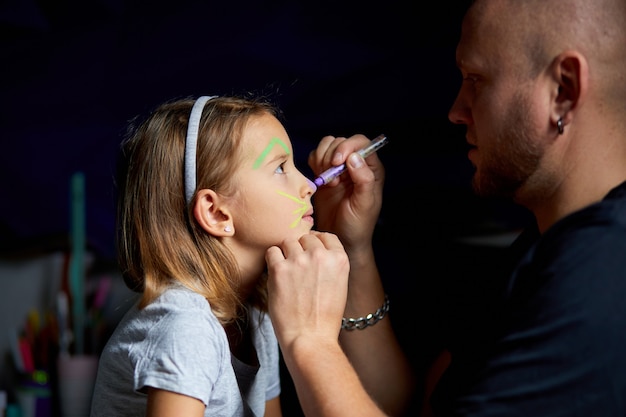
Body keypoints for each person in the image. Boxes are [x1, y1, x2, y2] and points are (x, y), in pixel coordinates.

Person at [265, 0, 626, 415]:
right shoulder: (547, 246)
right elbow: (412, 407)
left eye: (477, 79)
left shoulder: (604, 273)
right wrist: (353, 249)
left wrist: (308, 341)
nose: (456, 112)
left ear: (563, 90)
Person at [90, 94, 354, 417]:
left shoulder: (258, 314)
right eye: (280, 168)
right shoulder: (185, 327)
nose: (309, 186)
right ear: (216, 214)